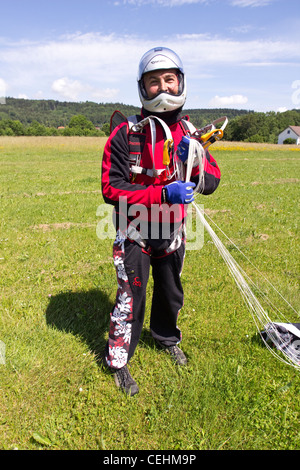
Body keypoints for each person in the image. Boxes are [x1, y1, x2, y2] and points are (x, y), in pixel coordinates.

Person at [101, 47, 221, 396]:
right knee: (130, 296)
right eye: (154, 81)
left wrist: (194, 159)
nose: (163, 87)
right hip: (134, 231)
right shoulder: (126, 133)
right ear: (143, 87)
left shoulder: (189, 131)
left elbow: (212, 180)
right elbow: (111, 187)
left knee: (170, 292)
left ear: (180, 82)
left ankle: (166, 338)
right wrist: (162, 194)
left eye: (170, 79)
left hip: (172, 231)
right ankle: (119, 360)